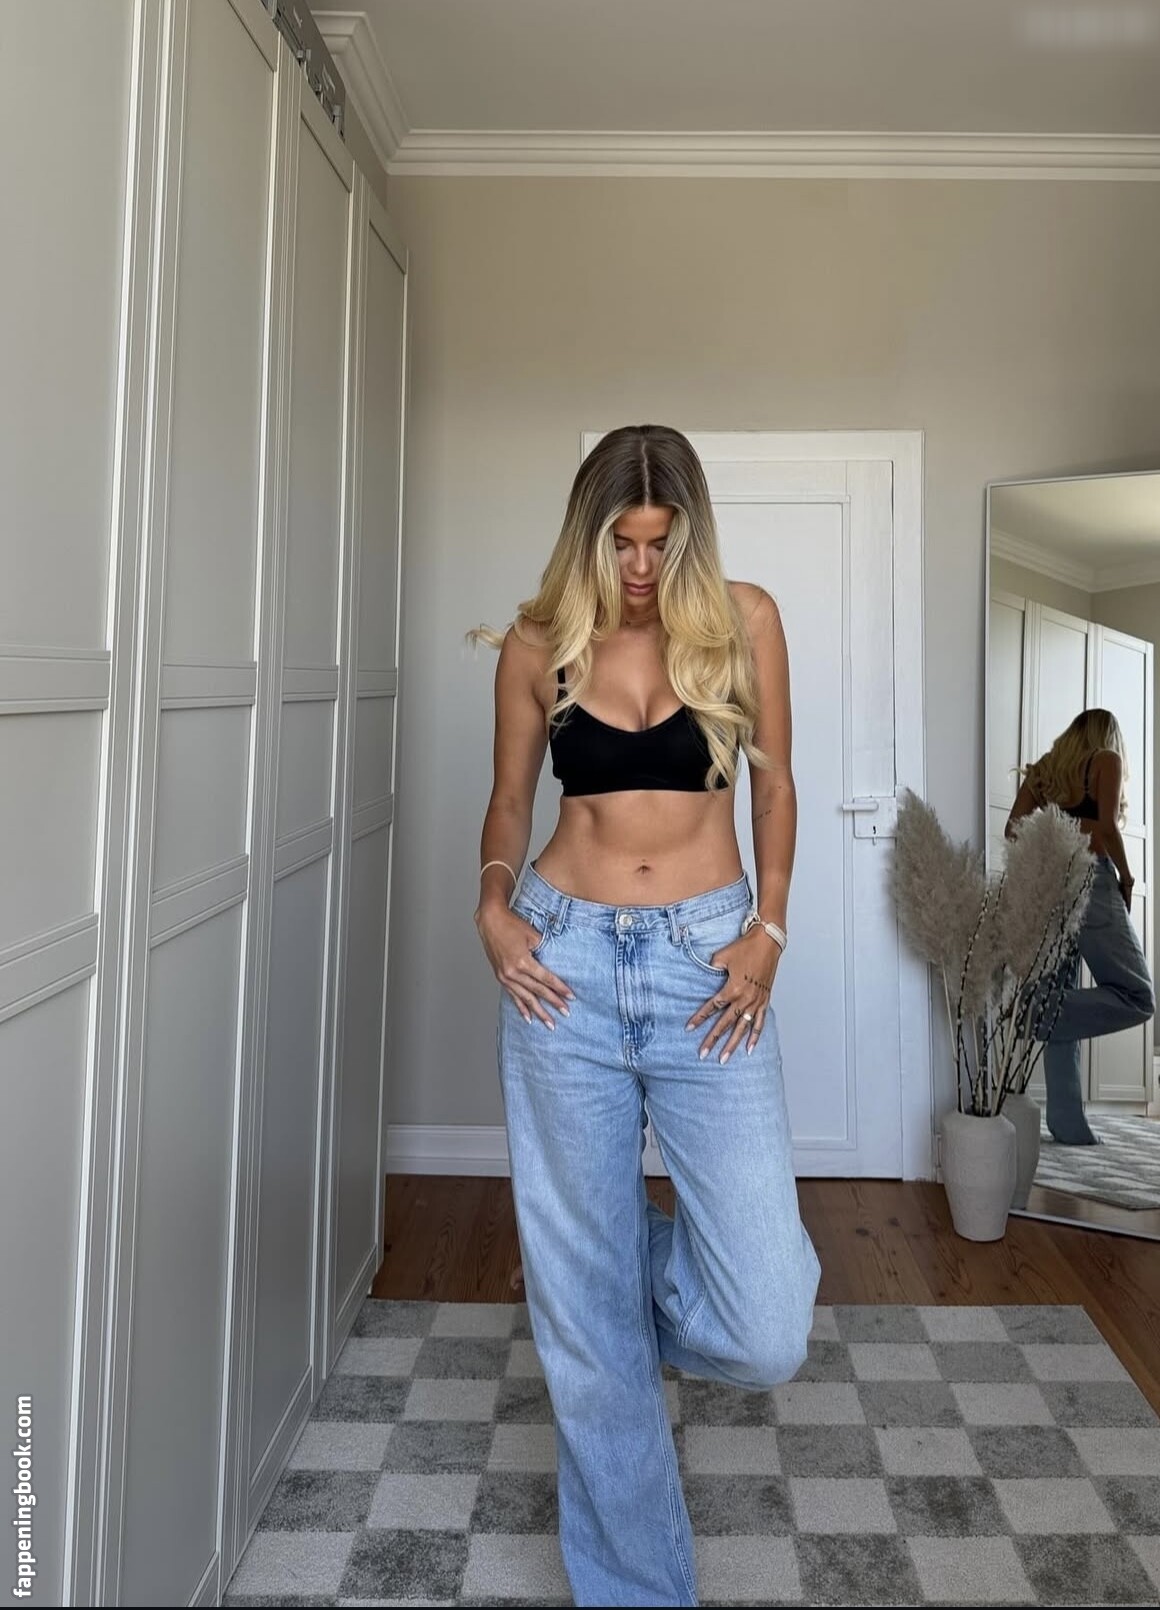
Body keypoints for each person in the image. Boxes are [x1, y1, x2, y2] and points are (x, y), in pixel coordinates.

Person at [466, 424, 820, 1607]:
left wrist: (768, 929)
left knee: (764, 1317)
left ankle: (603, 1265)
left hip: (705, 967)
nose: (637, 565)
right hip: (560, 965)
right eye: (619, 541)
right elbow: (508, 800)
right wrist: (492, 906)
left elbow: (774, 784)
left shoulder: (744, 619)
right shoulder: (537, 642)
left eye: (660, 542)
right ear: (588, 535)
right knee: (585, 1319)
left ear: (690, 537)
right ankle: (635, 1589)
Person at [1005, 707, 1154, 1145]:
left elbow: (1013, 829)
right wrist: (1127, 877)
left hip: (1049, 882)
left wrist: (1058, 826)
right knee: (1137, 996)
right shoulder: (1107, 758)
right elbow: (1106, 828)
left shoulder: (1046, 771)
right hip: (1090, 877)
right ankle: (1035, 1012)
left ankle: (1069, 1125)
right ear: (1107, 734)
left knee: (1062, 996)